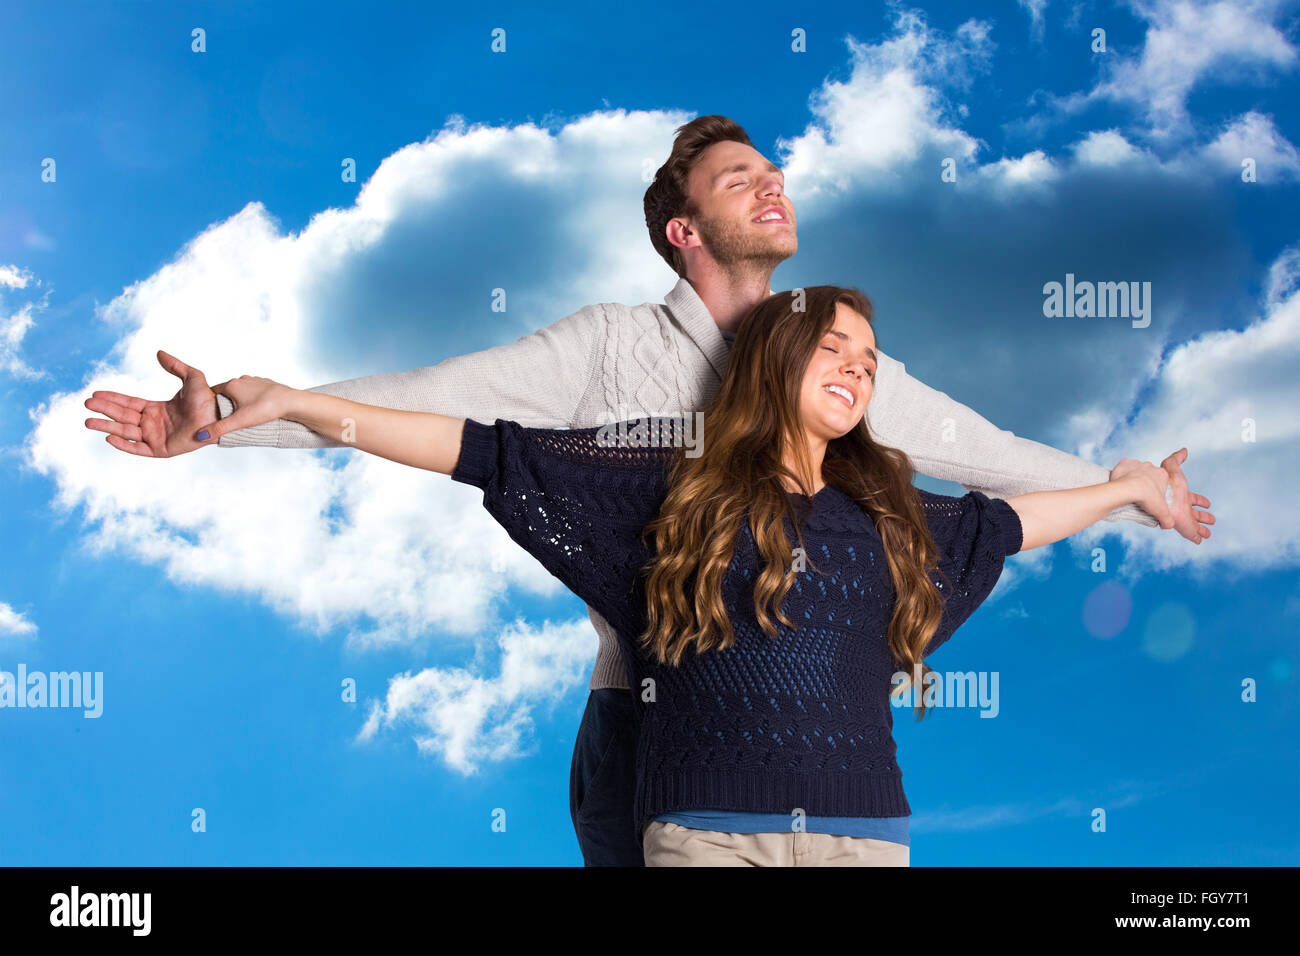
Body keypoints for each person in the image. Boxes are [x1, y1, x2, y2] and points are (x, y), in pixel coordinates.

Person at [83, 116, 1214, 866]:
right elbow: (430, 406)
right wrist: (239, 420)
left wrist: (1131, 490)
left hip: (814, 751)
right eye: (739, 178)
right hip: (645, 727)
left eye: (774, 170)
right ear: (686, 230)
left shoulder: (837, 359)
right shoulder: (607, 349)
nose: (771, 183)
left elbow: (996, 462)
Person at [175, 285, 1195, 866]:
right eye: (833, 344)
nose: (858, 365)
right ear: (773, 359)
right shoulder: (668, 490)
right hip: (709, 835)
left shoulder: (890, 513)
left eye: (872, 358)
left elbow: (1013, 520)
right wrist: (308, 406)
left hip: (866, 836)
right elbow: (477, 445)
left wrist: (1125, 489)